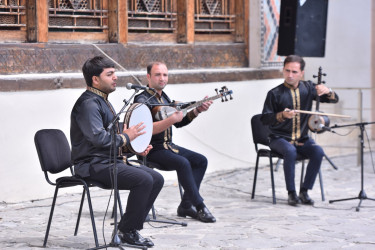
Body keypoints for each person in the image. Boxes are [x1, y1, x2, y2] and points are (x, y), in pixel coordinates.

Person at [70, 56, 164, 248]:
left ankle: (128, 227)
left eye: (115, 73)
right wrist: (127, 136)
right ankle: (128, 231)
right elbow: (99, 140)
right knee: (143, 179)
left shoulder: (102, 100)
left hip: (107, 162)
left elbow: (111, 142)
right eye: (110, 74)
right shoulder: (89, 104)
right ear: (95, 79)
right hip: (91, 165)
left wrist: (133, 148)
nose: (116, 78)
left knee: (156, 178)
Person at [133, 61, 216, 223]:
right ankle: (200, 206)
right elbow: (146, 129)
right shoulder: (142, 99)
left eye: (165, 75)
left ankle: (186, 205)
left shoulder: (164, 97)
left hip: (168, 147)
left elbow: (178, 123)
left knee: (200, 161)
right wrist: (171, 119)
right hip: (151, 150)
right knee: (183, 163)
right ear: (148, 77)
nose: (162, 78)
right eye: (157, 74)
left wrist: (197, 110)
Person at [261, 55, 339, 206]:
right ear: (283, 70)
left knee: (318, 151)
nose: (290, 75)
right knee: (290, 151)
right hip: (279, 138)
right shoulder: (274, 93)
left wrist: (327, 90)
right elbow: (264, 119)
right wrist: (282, 115)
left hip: (302, 139)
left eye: (294, 72)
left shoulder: (309, 88)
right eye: (287, 71)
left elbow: (333, 99)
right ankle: (291, 193)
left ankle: (304, 191)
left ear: (302, 73)